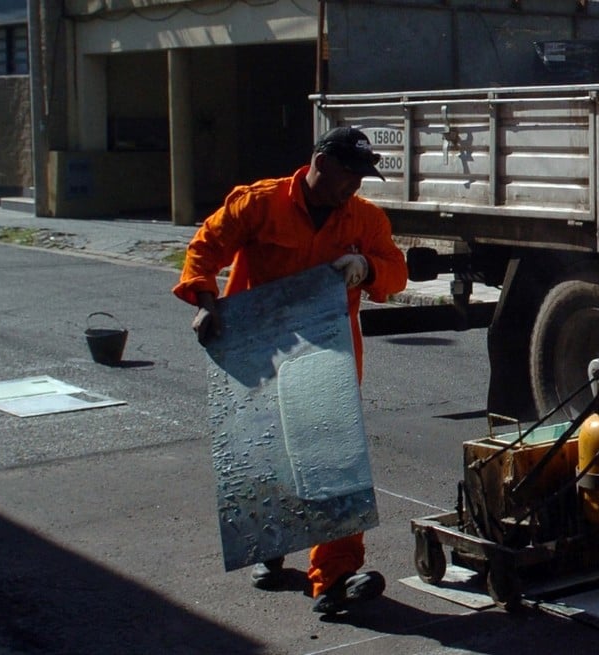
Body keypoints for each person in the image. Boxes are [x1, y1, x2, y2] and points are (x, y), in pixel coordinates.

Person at [173, 125, 409, 614]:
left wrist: (367, 268)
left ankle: (336, 576)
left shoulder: (363, 219)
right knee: (265, 450)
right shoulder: (259, 203)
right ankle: (270, 543)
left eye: (362, 179)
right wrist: (204, 298)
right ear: (321, 162)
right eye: (350, 175)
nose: (355, 187)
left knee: (331, 455)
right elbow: (205, 247)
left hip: (326, 354)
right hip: (259, 348)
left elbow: (396, 270)